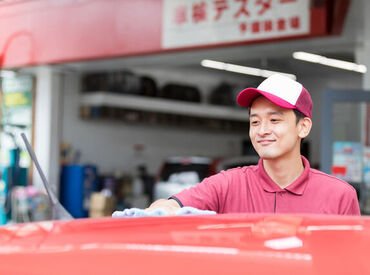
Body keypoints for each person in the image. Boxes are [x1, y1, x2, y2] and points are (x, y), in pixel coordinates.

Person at [147, 74, 360, 215]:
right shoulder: (228, 185)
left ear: (303, 127)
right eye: (255, 121)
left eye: (274, 120)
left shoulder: (339, 195)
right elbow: (172, 205)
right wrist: (159, 211)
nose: (262, 130)